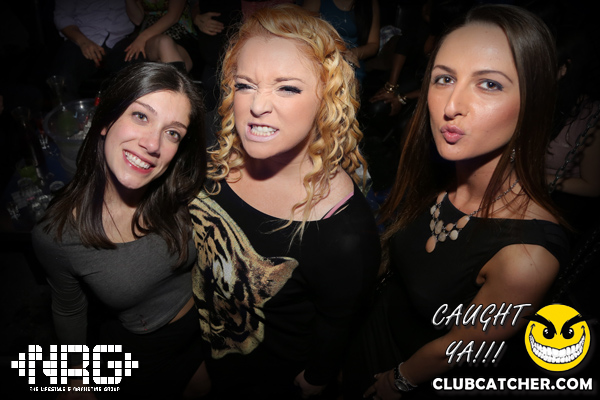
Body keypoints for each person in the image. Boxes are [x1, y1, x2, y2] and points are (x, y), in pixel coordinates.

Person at [342, 4, 569, 399]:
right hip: (367, 334)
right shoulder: (437, 172)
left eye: (489, 84)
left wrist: (398, 380)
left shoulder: (527, 256)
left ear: (533, 100)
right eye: (444, 78)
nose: (451, 106)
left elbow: (457, 347)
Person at [189, 4, 381, 399]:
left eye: (287, 87)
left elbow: (337, 323)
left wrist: (316, 379)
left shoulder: (345, 231)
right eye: (245, 84)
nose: (257, 106)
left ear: (326, 99)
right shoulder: (211, 150)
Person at [32, 62, 209, 399]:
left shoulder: (185, 191)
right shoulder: (58, 234)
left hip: (209, 325)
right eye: (141, 116)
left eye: (172, 133)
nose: (153, 144)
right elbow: (68, 309)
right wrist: (74, 377)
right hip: (144, 352)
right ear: (105, 121)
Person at [52, 0, 135, 99]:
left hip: (121, 39)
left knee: (137, 71)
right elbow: (62, 16)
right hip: (82, 37)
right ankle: (68, 109)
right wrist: (83, 41)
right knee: (62, 78)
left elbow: (139, 18)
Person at [302, 0, 380, 86]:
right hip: (321, 53)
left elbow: (373, 45)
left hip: (352, 58)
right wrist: (335, 53)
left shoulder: (371, 3)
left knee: (351, 83)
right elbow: (305, 31)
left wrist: (351, 53)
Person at [125, 0, 198, 73]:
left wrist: (142, 38)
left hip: (180, 34)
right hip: (151, 38)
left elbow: (173, 16)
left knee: (165, 46)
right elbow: (137, 20)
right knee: (164, 44)